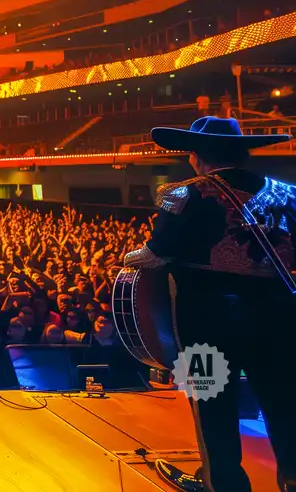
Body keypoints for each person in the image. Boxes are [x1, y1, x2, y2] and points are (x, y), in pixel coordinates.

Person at [123, 116, 296, 492]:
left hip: (204, 324)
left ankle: (226, 484)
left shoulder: (183, 193)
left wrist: (128, 258)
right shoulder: (287, 193)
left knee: (212, 409)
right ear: (242, 152)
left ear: (197, 155)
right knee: (284, 407)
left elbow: (156, 253)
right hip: (278, 321)